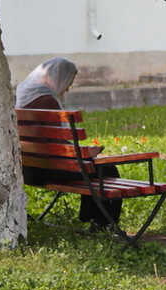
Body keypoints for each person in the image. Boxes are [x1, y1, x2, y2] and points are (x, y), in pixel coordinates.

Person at [15, 58, 122, 229]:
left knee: (92, 167)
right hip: (45, 170)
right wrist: (85, 153)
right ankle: (104, 225)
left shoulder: (22, 97)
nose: (68, 88)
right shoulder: (47, 101)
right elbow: (56, 145)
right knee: (106, 169)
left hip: (26, 169)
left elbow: (47, 141)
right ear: (59, 78)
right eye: (68, 82)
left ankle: (93, 218)